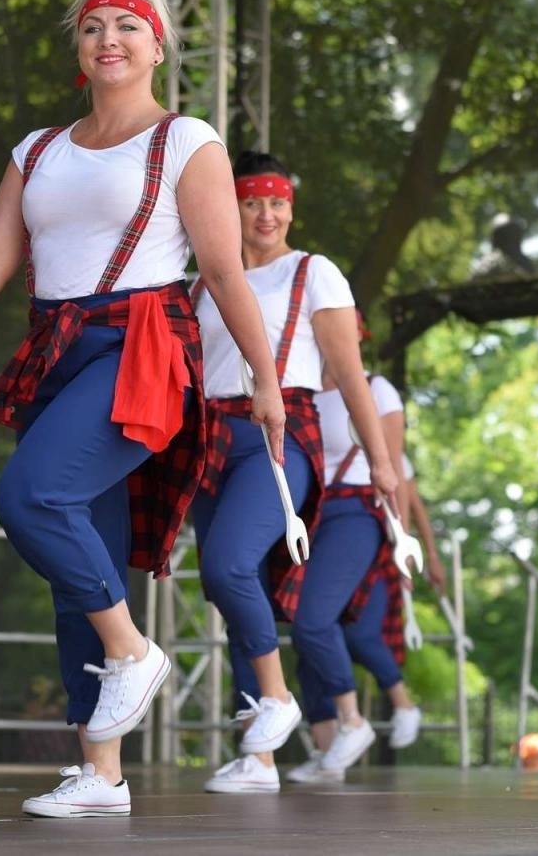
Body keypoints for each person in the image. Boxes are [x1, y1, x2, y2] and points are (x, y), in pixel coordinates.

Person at [0, 0, 284, 817]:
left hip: (142, 350)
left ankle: (136, 654)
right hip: (59, 349)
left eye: (129, 26)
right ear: (79, 47)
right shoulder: (40, 150)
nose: (110, 39)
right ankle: (102, 773)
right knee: (78, 566)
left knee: (31, 497)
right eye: (95, 26)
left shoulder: (187, 141)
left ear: (157, 44)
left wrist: (266, 380)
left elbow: (222, 270)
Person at [192, 153, 400, 795]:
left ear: (291, 208)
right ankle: (258, 760)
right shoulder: (202, 280)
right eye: (252, 201)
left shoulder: (314, 273)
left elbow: (353, 377)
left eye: (277, 201)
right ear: (230, 206)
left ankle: (280, 702)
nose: (266, 214)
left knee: (227, 565)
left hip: (278, 435)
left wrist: (382, 462)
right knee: (234, 596)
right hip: (208, 441)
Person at [286, 356, 429, 785]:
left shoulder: (374, 387)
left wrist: (404, 541)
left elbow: (397, 473)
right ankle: (329, 750)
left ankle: (365, 718)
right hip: (310, 514)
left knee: (320, 624)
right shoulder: (304, 386)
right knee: (308, 629)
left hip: (358, 513)